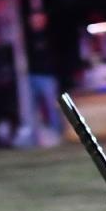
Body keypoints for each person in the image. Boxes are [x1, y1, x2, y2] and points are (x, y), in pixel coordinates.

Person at [25, 9, 63, 147]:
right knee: (31, 107)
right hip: (30, 76)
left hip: (47, 76)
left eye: (39, 19)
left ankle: (56, 134)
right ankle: (35, 135)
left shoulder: (50, 36)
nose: (36, 22)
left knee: (51, 106)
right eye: (34, 19)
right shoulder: (25, 37)